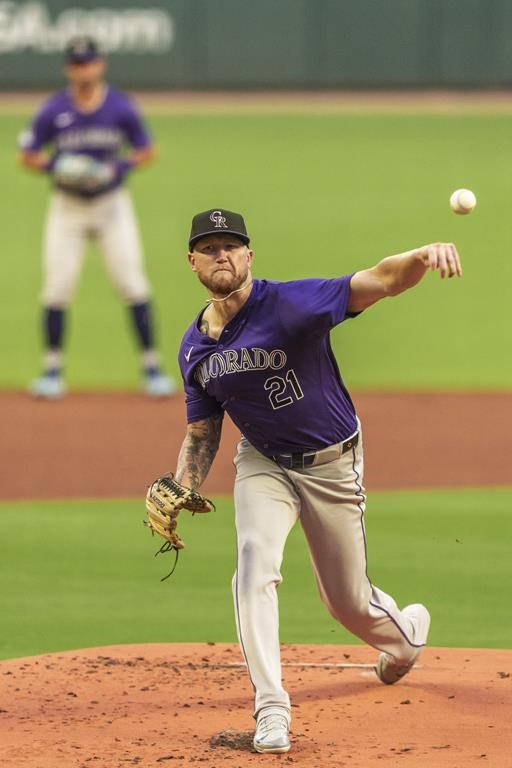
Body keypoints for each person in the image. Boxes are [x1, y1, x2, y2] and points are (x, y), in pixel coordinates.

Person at [174, 208, 462, 754]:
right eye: (209, 249)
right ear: (193, 262)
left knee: (347, 603)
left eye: (231, 246)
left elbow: (380, 279)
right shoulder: (195, 348)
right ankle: (272, 710)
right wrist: (180, 483)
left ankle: (404, 641)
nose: (221, 256)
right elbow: (202, 430)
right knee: (253, 567)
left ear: (248, 255)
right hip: (262, 462)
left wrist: (421, 256)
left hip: (333, 464)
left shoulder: (289, 303)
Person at [18, 35, 175, 398]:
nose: (83, 69)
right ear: (67, 68)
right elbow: (26, 154)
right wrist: (58, 165)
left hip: (112, 207)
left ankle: (151, 367)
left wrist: (117, 166)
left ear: (100, 64)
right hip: (67, 208)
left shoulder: (120, 106)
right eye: (76, 63)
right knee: (57, 288)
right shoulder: (53, 109)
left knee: (132, 284)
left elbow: (147, 150)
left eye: (88, 62)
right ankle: (52, 370)